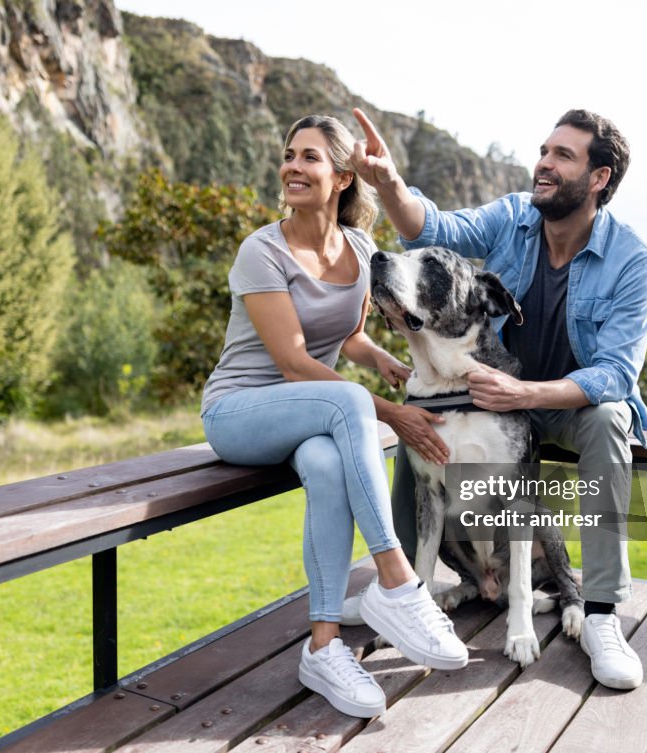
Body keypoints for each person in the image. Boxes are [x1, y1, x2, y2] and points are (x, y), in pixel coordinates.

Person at [344, 107, 647, 691]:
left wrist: (525, 393)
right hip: (491, 393)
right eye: (544, 151)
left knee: (610, 418)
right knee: (423, 416)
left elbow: (616, 373)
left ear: (599, 178)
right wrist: (388, 182)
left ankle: (601, 612)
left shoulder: (633, 261)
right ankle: (401, 591)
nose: (544, 163)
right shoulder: (513, 217)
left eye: (563, 155)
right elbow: (433, 230)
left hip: (566, 404)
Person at [200, 114, 468, 719]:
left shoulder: (361, 250)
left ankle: (322, 647)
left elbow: (346, 335)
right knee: (349, 403)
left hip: (311, 418)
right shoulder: (262, 252)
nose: (292, 167)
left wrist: (382, 359)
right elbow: (295, 362)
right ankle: (397, 581)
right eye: (289, 154)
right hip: (239, 411)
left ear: (343, 177)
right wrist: (393, 413)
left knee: (326, 465)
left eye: (309, 157)